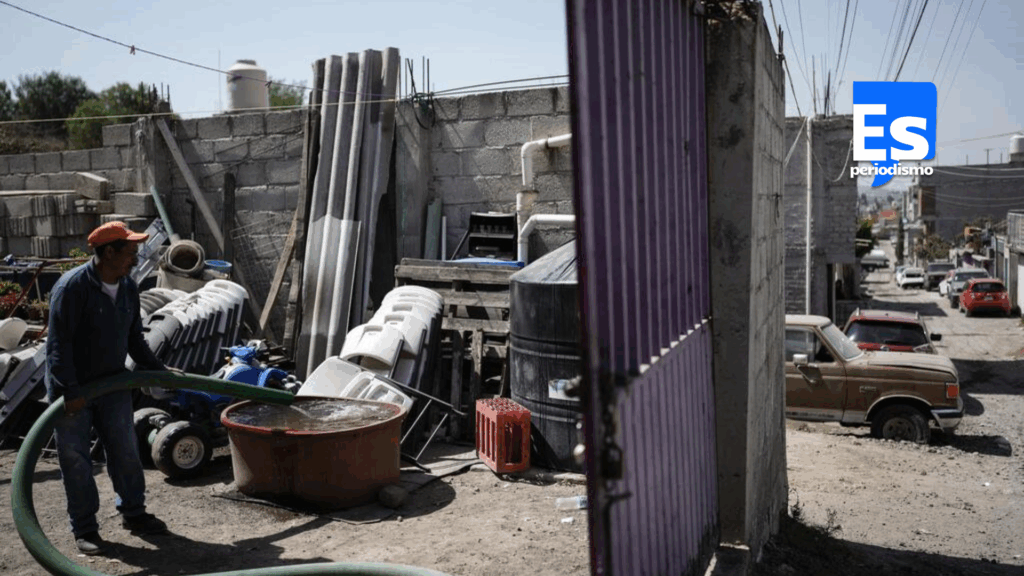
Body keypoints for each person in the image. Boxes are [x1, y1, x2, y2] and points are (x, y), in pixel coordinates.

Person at [45, 221, 170, 555]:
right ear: (109, 252)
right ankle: (85, 529)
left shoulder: (128, 286)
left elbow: (135, 339)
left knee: (126, 450)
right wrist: (69, 391)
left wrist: (159, 371)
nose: (136, 257)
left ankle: (134, 513)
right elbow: (58, 347)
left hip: (112, 383)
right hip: (73, 389)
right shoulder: (72, 288)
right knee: (76, 460)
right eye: (130, 251)